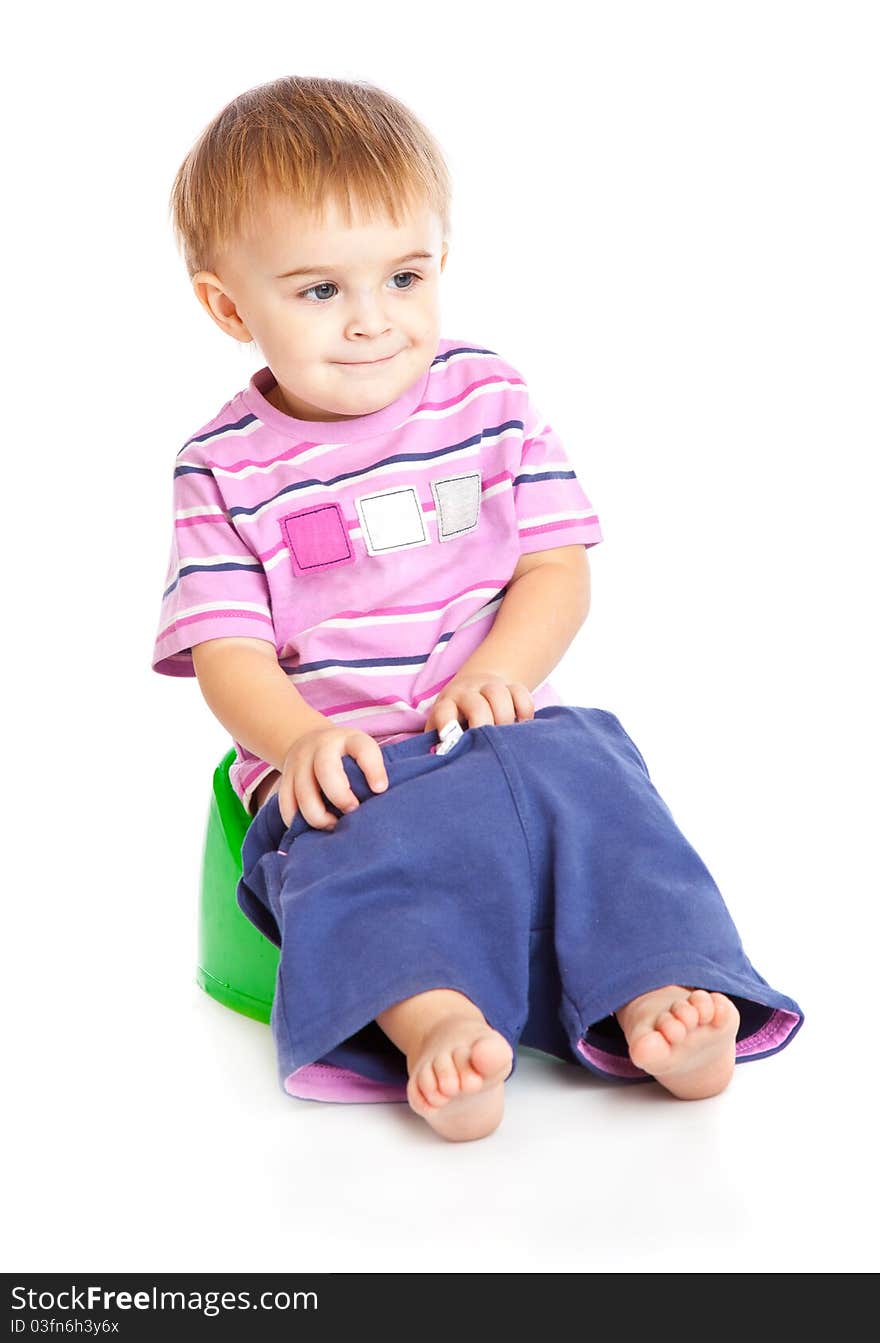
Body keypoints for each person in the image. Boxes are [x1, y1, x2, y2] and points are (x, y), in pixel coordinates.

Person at [152, 75, 803, 1143]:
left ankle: (662, 992)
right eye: (319, 291)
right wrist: (300, 737)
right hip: (351, 758)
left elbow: (555, 565)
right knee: (357, 866)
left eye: (404, 276)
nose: (373, 322)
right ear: (231, 305)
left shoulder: (486, 398)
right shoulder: (223, 468)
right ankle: (435, 1023)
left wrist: (503, 667)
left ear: (437, 263)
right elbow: (226, 647)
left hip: (508, 728)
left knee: (610, 804)